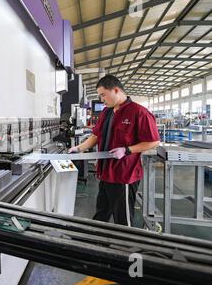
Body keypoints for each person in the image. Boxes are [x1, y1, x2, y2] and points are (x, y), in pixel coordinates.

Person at [69, 75, 160, 227]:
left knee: (123, 219)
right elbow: (95, 135)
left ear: (116, 90)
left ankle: (126, 247)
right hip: (105, 173)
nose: (101, 99)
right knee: (101, 214)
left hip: (124, 175)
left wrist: (127, 150)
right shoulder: (107, 112)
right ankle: (97, 244)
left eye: (103, 94)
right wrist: (79, 148)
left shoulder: (139, 112)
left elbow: (154, 141)